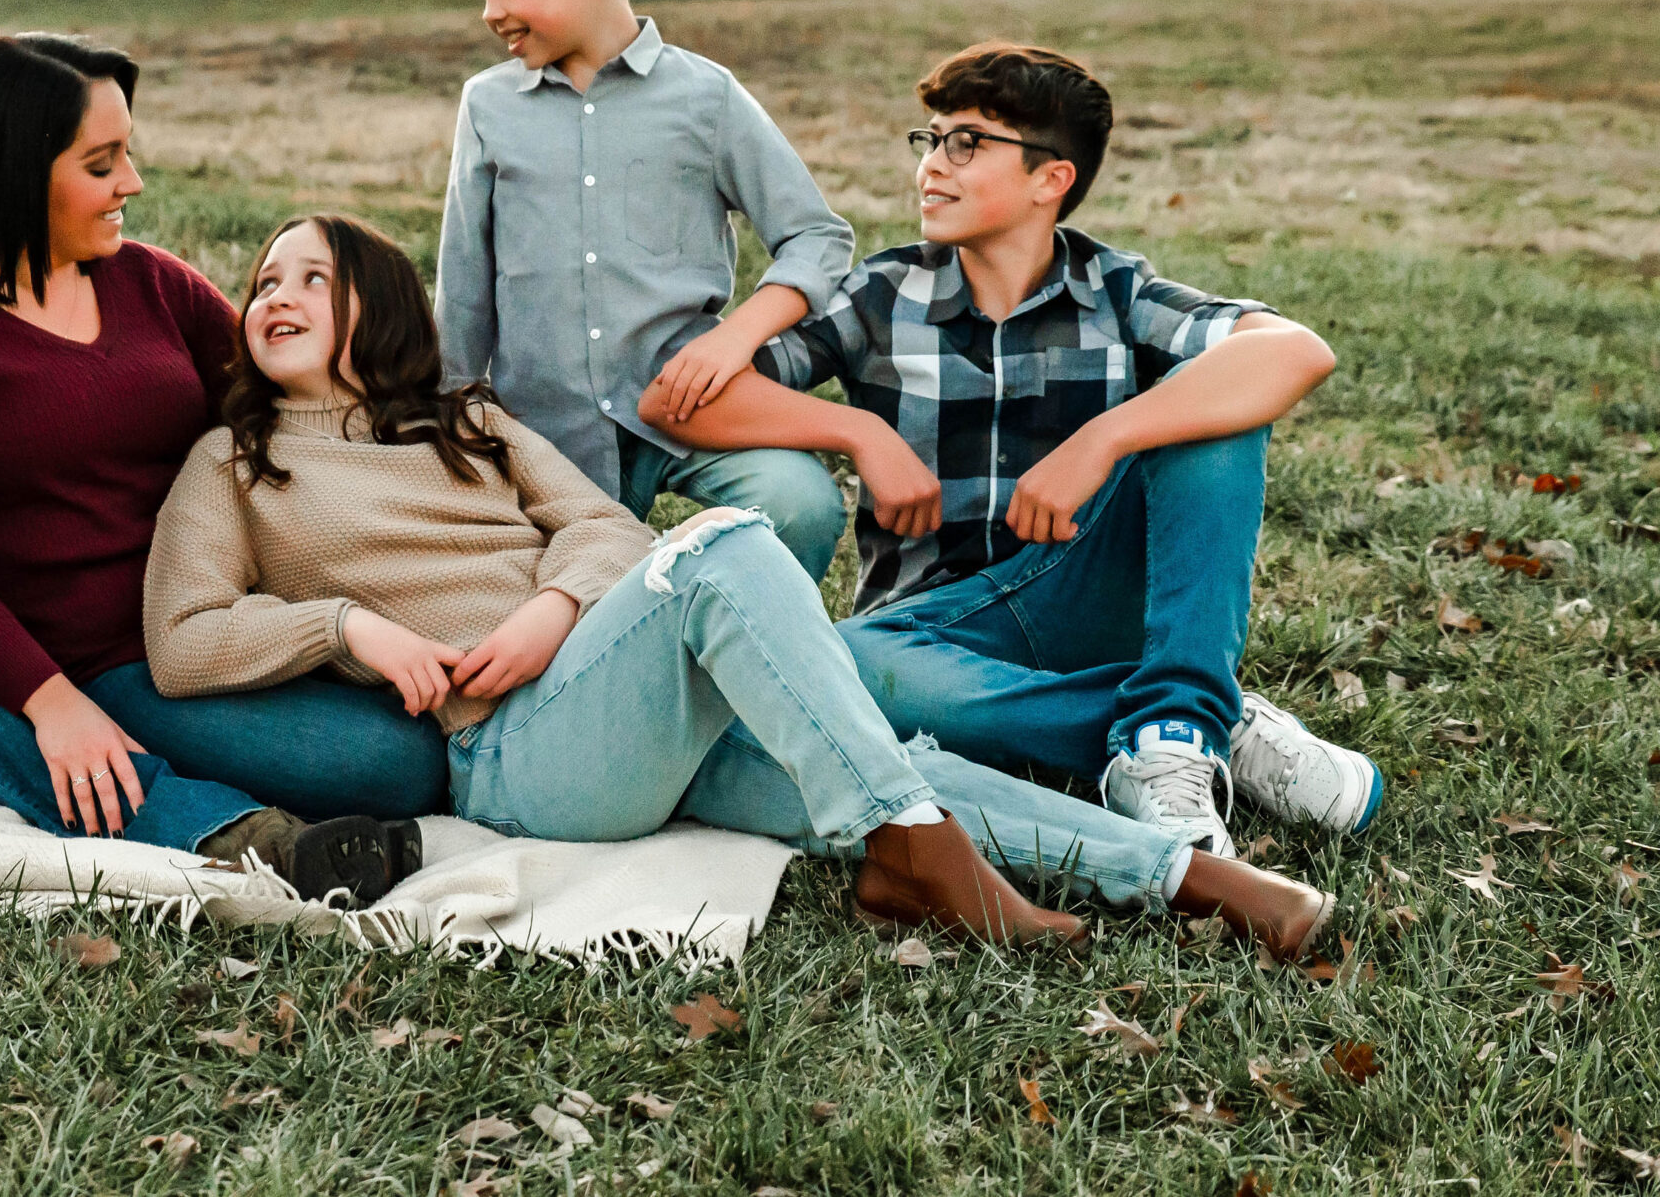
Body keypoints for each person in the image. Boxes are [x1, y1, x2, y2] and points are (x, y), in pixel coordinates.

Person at [144, 214, 1338, 955]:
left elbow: (600, 527)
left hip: (617, 689)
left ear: (377, 299)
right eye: (262, 283)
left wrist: (553, 606)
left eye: (310, 275)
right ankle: (914, 853)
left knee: (883, 759)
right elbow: (183, 638)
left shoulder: (471, 425)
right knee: (724, 546)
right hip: (516, 754)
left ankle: (1186, 877)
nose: (275, 297)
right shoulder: (236, 462)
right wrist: (345, 624)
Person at [643, 43, 1382, 856]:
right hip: (927, 635)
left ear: (1049, 178)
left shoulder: (1116, 292)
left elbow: (1294, 350)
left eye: (967, 143)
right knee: (833, 662)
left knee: (1213, 416)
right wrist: (857, 432)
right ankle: (1194, 727)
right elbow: (683, 399)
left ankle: (1173, 715)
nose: (933, 165)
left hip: (1080, 591)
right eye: (929, 140)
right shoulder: (882, 296)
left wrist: (1104, 437)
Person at [0, 33, 439, 902]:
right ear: (17, 171)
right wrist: (49, 700)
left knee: (405, 747)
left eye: (128, 153)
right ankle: (249, 839)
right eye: (102, 162)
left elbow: (277, 408)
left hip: (201, 631)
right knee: (387, 766)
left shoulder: (151, 283)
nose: (133, 183)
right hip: (74, 659)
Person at [435, 0, 856, 575]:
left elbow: (816, 236)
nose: (490, 12)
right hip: (546, 434)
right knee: (544, 587)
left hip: (690, 411)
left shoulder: (707, 97)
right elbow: (464, 289)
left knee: (803, 503)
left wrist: (735, 340)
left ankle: (717, 634)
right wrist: (450, 423)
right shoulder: (488, 106)